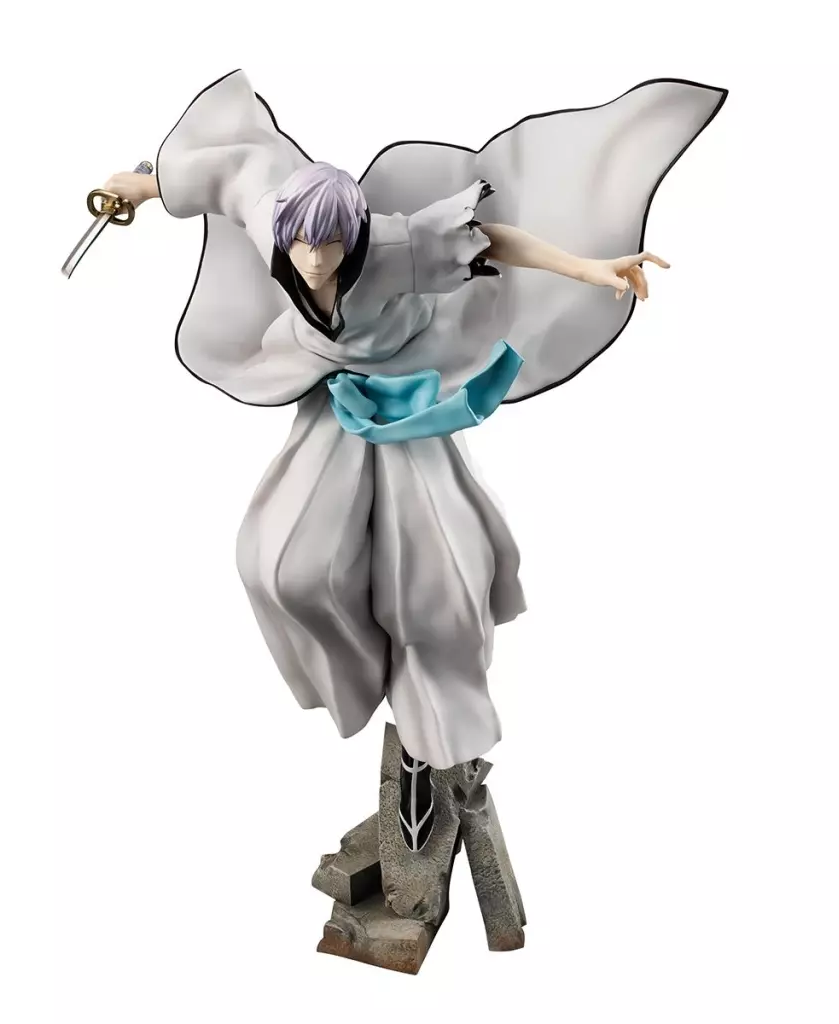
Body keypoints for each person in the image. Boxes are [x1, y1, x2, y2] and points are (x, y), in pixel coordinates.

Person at [100, 69, 726, 852]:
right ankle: (356, 672)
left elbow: (494, 240)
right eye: (304, 243)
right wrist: (138, 186)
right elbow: (225, 172)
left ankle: (438, 719)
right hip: (330, 402)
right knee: (280, 563)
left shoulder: (390, 247)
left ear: (356, 237)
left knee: (432, 574)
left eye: (332, 243)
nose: (317, 258)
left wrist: (589, 268)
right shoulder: (274, 222)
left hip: (402, 404)